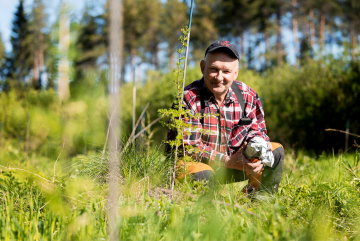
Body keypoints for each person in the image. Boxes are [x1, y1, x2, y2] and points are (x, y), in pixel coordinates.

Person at [166, 40, 284, 196]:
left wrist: (256, 153)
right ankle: (207, 211)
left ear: (235, 73)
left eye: (226, 72)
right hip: (200, 167)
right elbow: (190, 149)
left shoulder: (247, 96)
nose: (219, 77)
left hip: (236, 164)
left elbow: (259, 132)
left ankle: (255, 203)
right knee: (203, 175)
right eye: (213, 69)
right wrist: (229, 161)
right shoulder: (189, 98)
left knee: (275, 150)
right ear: (203, 67)